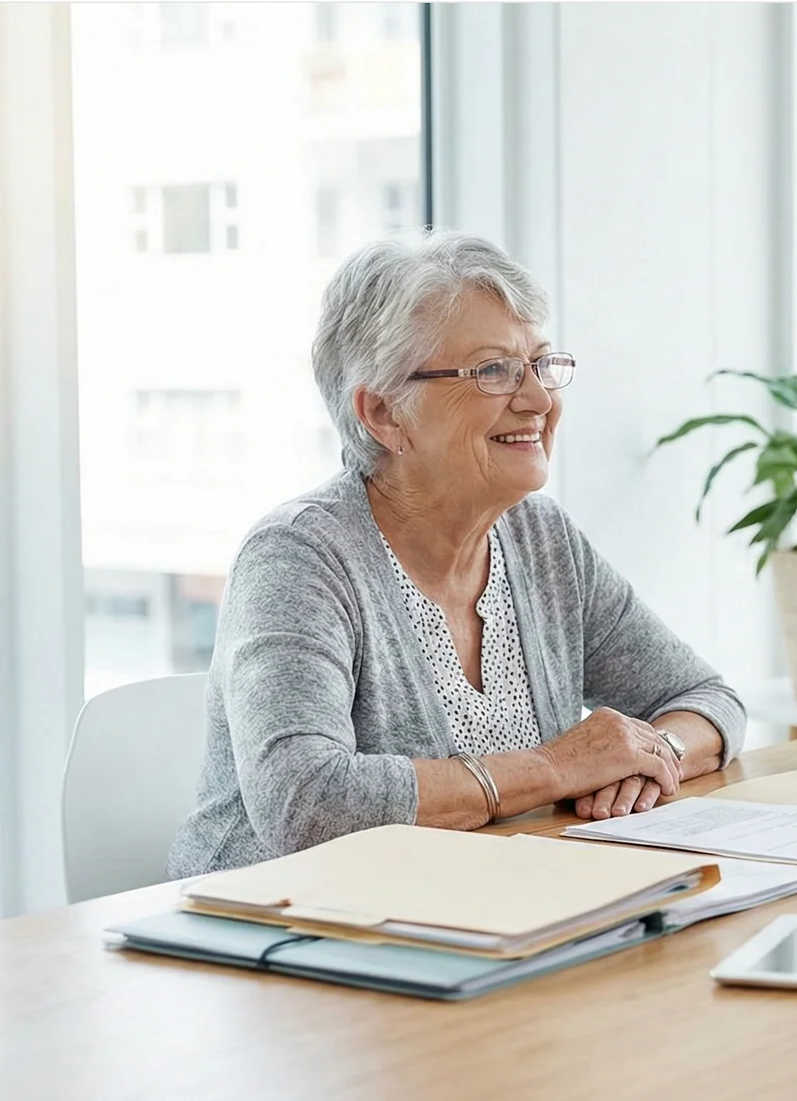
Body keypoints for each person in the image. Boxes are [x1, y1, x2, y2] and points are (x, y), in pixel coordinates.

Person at [170, 233, 743, 876]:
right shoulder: (299, 558)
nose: (539, 400)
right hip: (281, 934)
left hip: (487, 912)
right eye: (494, 371)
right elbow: (305, 803)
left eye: (541, 365)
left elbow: (705, 698)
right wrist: (555, 769)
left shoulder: (541, 540)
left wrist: (647, 755)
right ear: (383, 414)